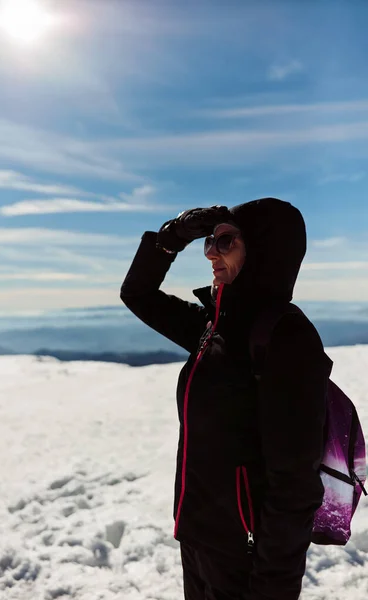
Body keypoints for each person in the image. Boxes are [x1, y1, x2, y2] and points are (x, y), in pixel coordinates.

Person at [120, 198, 332, 600]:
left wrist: (274, 587)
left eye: (226, 241)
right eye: (209, 243)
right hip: (197, 539)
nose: (211, 253)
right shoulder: (212, 326)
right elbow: (137, 294)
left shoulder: (285, 339)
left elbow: (295, 485)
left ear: (264, 250)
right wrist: (172, 236)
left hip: (246, 560)